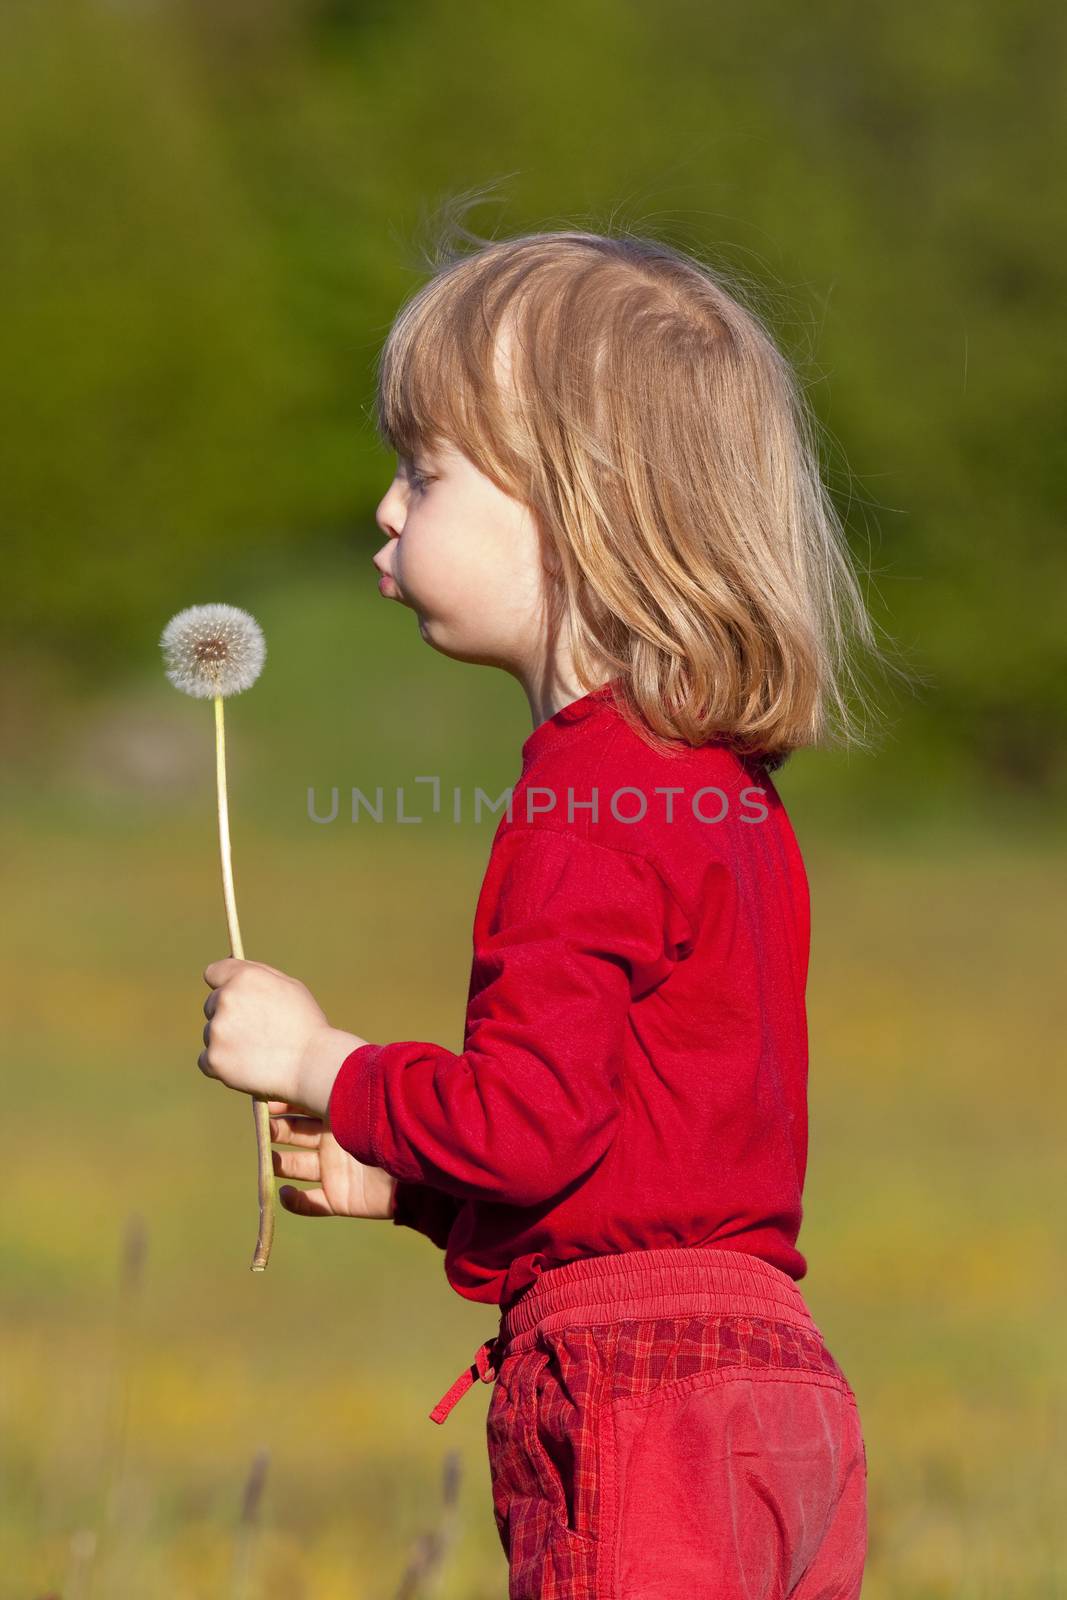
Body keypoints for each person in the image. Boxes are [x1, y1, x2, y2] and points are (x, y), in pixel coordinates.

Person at [200, 224, 899, 1597]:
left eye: (427, 471)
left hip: (636, 1403)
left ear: (584, 502)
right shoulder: (722, 793)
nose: (388, 511)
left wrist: (322, 1066)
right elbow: (642, 1160)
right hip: (782, 1400)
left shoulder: (584, 796)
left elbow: (528, 1127)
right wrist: (410, 1189)